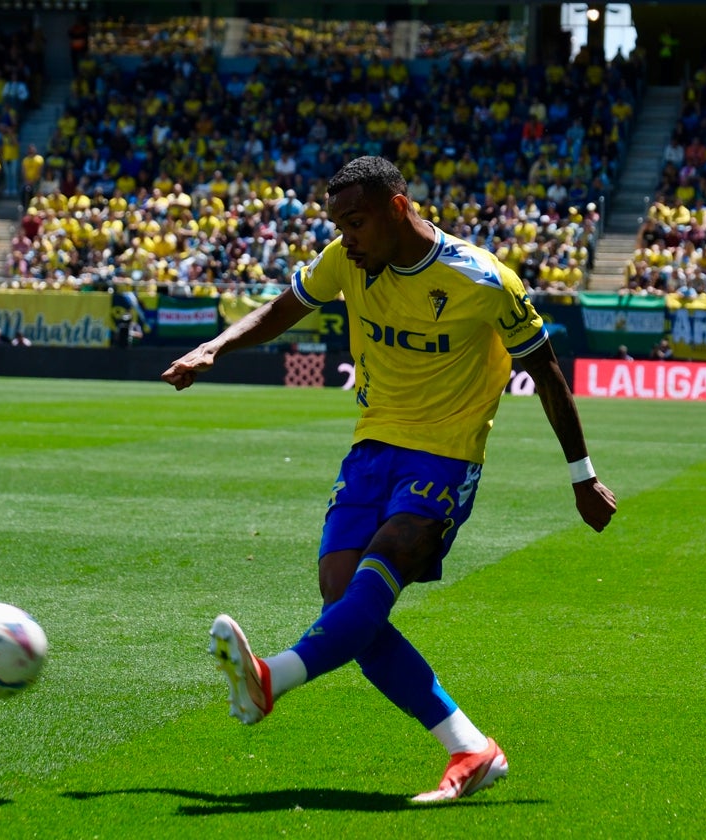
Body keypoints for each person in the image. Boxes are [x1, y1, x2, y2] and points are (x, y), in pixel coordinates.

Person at [161, 156, 616, 802]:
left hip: (444, 456)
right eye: (339, 225)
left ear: (398, 209)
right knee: (344, 600)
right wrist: (216, 347)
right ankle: (471, 749)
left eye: (356, 222)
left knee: (377, 577)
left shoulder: (483, 279)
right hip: (371, 449)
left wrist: (582, 476)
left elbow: (544, 370)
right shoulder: (346, 259)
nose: (346, 237)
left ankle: (270, 679)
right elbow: (287, 306)